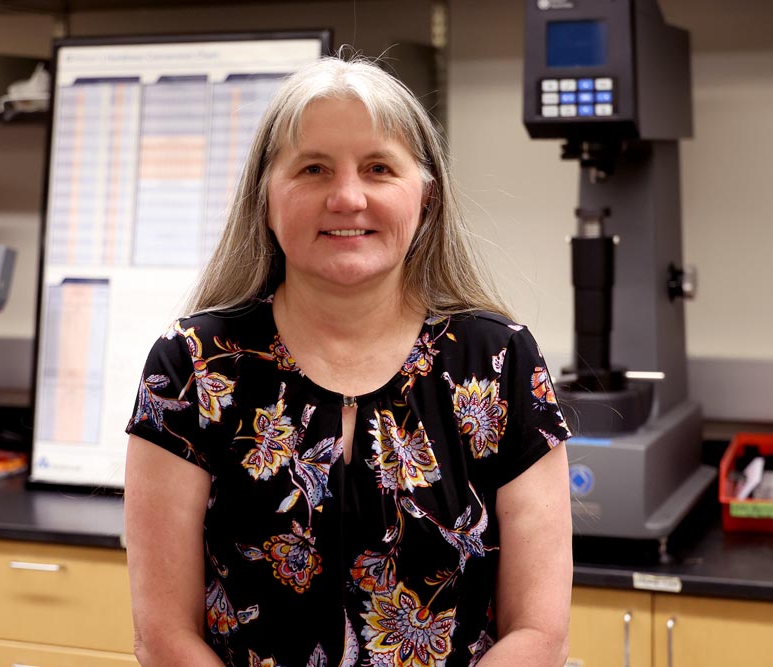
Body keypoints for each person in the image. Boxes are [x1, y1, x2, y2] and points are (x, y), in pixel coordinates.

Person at [124, 55, 573, 667]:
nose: (347, 197)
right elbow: (164, 636)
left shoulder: (498, 362)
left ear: (426, 197)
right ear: (265, 196)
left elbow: (540, 633)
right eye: (313, 169)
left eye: (379, 168)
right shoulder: (195, 367)